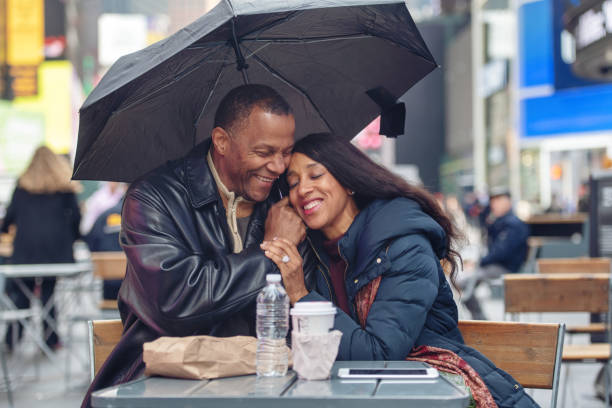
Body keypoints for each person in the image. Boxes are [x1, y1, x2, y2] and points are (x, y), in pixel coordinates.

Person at [81, 84, 315, 408]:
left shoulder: (285, 200)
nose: (277, 166)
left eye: (286, 152)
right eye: (263, 153)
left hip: (267, 387)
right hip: (164, 388)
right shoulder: (153, 197)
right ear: (221, 141)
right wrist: (274, 250)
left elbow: (309, 298)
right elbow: (176, 301)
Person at [261, 133, 538, 407]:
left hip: (433, 391)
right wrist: (276, 242)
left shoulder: (402, 244)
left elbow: (379, 356)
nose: (302, 190)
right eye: (293, 183)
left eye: (315, 175)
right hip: (362, 395)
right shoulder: (311, 252)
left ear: (348, 182)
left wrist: (300, 293)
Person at [1, 146, 81, 350]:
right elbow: (76, 220)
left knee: (22, 296)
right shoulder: (64, 188)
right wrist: (72, 240)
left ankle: (12, 340)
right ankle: (50, 340)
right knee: (48, 294)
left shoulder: (22, 186)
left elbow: (9, 218)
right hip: (57, 254)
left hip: (25, 253)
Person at [461, 189, 529, 320]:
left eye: (498, 201)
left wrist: (479, 263)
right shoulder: (499, 221)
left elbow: (501, 252)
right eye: (493, 201)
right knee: (464, 280)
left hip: (505, 267)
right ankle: (480, 319)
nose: (494, 205)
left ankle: (481, 320)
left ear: (508, 201)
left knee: (464, 281)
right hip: (497, 265)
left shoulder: (513, 224)